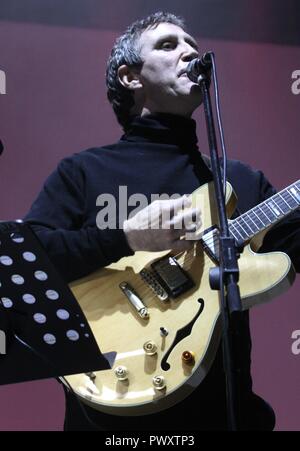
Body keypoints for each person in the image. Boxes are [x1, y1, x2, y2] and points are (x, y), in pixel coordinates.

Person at [24, 11, 300, 431]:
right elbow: (30, 262)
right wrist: (127, 237)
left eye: (192, 43)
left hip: (222, 415)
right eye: (168, 45)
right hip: (107, 419)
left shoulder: (239, 180)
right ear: (130, 76)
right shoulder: (82, 172)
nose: (190, 51)